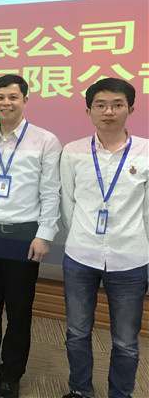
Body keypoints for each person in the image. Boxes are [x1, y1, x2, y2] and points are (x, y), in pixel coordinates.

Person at [0, 75, 62, 398]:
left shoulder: (45, 140)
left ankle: (11, 373)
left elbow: (51, 193)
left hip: (24, 235)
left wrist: (44, 234)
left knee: (19, 311)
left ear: (25, 100)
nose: (6, 103)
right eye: (0, 97)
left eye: (13, 97)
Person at [60, 78, 148, 398]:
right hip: (80, 256)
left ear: (130, 109)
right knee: (77, 332)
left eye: (117, 105)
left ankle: (120, 394)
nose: (108, 111)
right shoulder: (73, 151)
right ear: (89, 111)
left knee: (125, 341)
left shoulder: (146, 151)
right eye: (100, 105)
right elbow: (67, 203)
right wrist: (81, 236)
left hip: (130, 259)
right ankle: (80, 390)